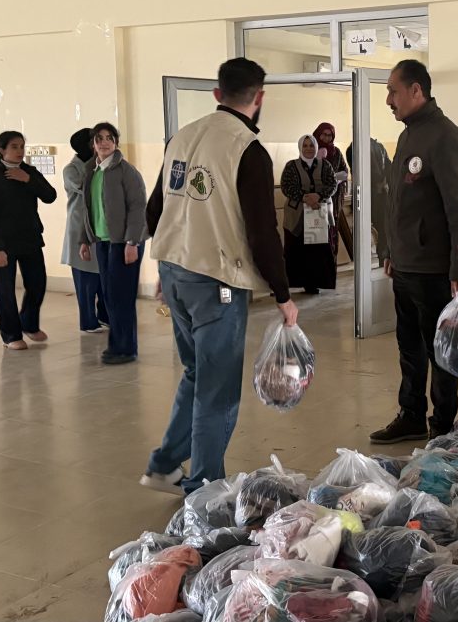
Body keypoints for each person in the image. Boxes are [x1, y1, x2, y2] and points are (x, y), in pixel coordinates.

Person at [143, 57, 298, 495]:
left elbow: (156, 210)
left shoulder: (182, 137)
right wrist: (283, 295)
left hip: (175, 271)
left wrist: (171, 267)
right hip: (216, 282)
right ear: (259, 97)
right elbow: (262, 231)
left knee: (197, 373)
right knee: (218, 388)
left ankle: (164, 465)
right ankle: (203, 489)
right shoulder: (247, 149)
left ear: (217, 94)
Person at [370, 59, 458, 444]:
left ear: (416, 90)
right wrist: (390, 250)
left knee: (441, 352)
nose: (388, 100)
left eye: (393, 91)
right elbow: (398, 203)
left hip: (434, 270)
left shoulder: (446, 138)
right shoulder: (408, 136)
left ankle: (442, 426)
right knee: (409, 348)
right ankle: (411, 415)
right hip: (405, 266)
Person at [0, 130, 57, 350]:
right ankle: (10, 335)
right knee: (5, 290)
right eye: (14, 146)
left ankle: (29, 324)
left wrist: (28, 180)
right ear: (1, 149)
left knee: (37, 283)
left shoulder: (29, 172)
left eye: (22, 146)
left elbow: (50, 196)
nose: (20, 151)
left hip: (30, 238)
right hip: (4, 243)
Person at [79, 123, 146, 365]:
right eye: (99, 138)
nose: (104, 142)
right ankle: (117, 345)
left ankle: (126, 349)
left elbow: (138, 208)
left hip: (124, 242)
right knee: (109, 296)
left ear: (116, 142)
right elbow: (87, 209)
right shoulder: (92, 172)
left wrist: (132, 242)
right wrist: (85, 239)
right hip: (103, 242)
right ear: (93, 144)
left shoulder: (127, 171)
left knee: (122, 297)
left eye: (110, 138)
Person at [63, 128, 108, 333]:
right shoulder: (71, 170)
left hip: (98, 227)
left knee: (103, 278)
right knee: (86, 281)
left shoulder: (102, 165)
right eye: (96, 141)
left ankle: (105, 316)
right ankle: (88, 322)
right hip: (79, 227)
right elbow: (89, 187)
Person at [280, 134, 337, 294]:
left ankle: (313, 284)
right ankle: (292, 283)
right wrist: (305, 197)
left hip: (318, 214)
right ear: (300, 147)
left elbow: (332, 184)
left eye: (311, 145)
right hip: (296, 215)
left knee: (317, 251)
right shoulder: (291, 166)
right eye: (305, 146)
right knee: (296, 249)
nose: (308, 149)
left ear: (316, 147)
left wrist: (318, 196)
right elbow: (286, 186)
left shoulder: (325, 165)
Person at [346, 136, 392, 263]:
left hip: (380, 195)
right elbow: (358, 171)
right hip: (365, 194)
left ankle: (383, 259)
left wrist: (385, 182)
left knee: (383, 228)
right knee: (362, 229)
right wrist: (377, 183)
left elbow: (388, 167)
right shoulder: (354, 148)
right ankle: (362, 261)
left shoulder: (379, 146)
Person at [313, 122, 354, 260]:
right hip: (316, 201)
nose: (326, 138)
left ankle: (331, 265)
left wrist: (333, 178)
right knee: (317, 237)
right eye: (323, 134)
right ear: (318, 134)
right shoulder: (311, 150)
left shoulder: (336, 152)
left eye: (330, 135)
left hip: (334, 200)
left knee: (332, 235)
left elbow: (345, 171)